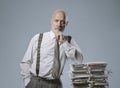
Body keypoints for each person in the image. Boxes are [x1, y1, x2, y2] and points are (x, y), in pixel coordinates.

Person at [20, 9, 83, 88]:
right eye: (56, 21)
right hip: (36, 83)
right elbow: (25, 62)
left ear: (66, 24)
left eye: (62, 22)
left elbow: (79, 60)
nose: (59, 24)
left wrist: (64, 43)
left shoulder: (69, 41)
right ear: (51, 21)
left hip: (56, 84)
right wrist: (28, 82)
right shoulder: (38, 38)